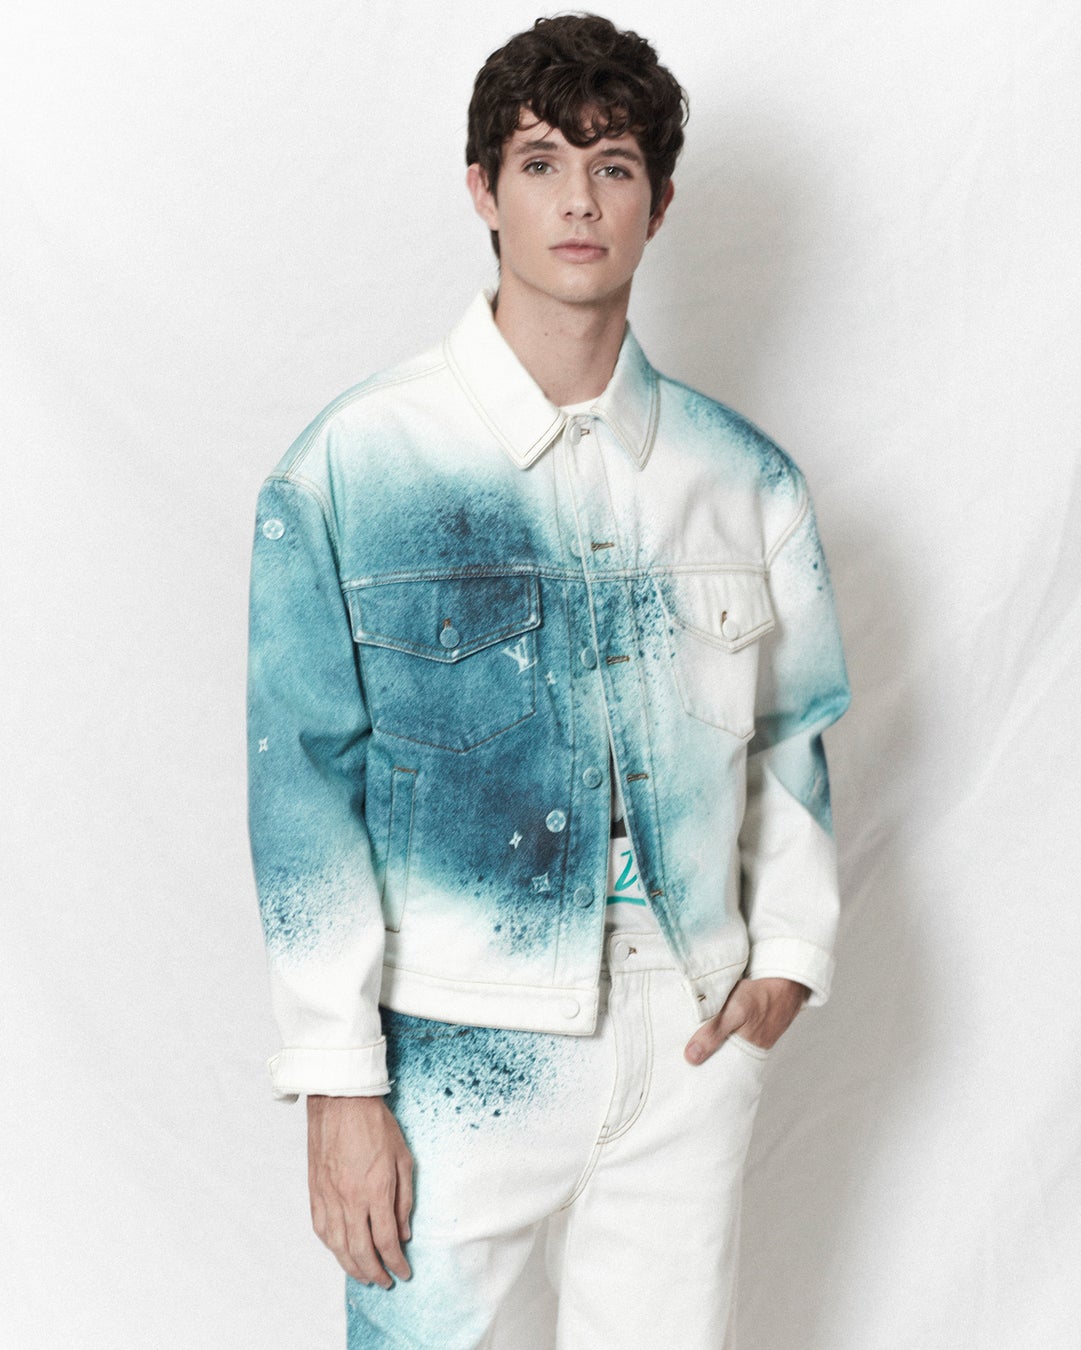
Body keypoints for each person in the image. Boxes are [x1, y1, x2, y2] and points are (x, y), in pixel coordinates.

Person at [247, 14, 850, 1348]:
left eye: (614, 166)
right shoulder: (352, 467)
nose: (578, 200)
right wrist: (339, 1080)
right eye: (539, 163)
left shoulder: (743, 479)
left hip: (688, 1039)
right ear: (482, 191)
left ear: (658, 203)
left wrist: (788, 955)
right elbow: (302, 786)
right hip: (455, 1049)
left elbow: (791, 729)